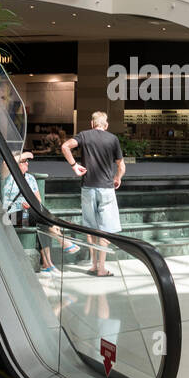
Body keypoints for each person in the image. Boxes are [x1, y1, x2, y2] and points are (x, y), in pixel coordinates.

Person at [62, 112, 125, 277]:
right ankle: (102, 268)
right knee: (105, 230)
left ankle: (93, 265)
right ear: (106, 125)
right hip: (106, 188)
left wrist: (74, 166)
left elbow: (65, 146)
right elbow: (121, 166)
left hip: (88, 187)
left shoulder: (84, 135)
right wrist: (117, 178)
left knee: (90, 227)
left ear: (92, 123)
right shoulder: (113, 139)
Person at [0, 152, 79, 274]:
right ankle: (61, 239)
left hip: (28, 214)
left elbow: (38, 200)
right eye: (24, 161)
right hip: (10, 216)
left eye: (27, 161)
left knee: (42, 222)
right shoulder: (8, 176)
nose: (27, 163)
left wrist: (28, 203)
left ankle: (48, 263)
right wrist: (25, 153)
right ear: (16, 164)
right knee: (43, 219)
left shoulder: (30, 178)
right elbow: (6, 163)